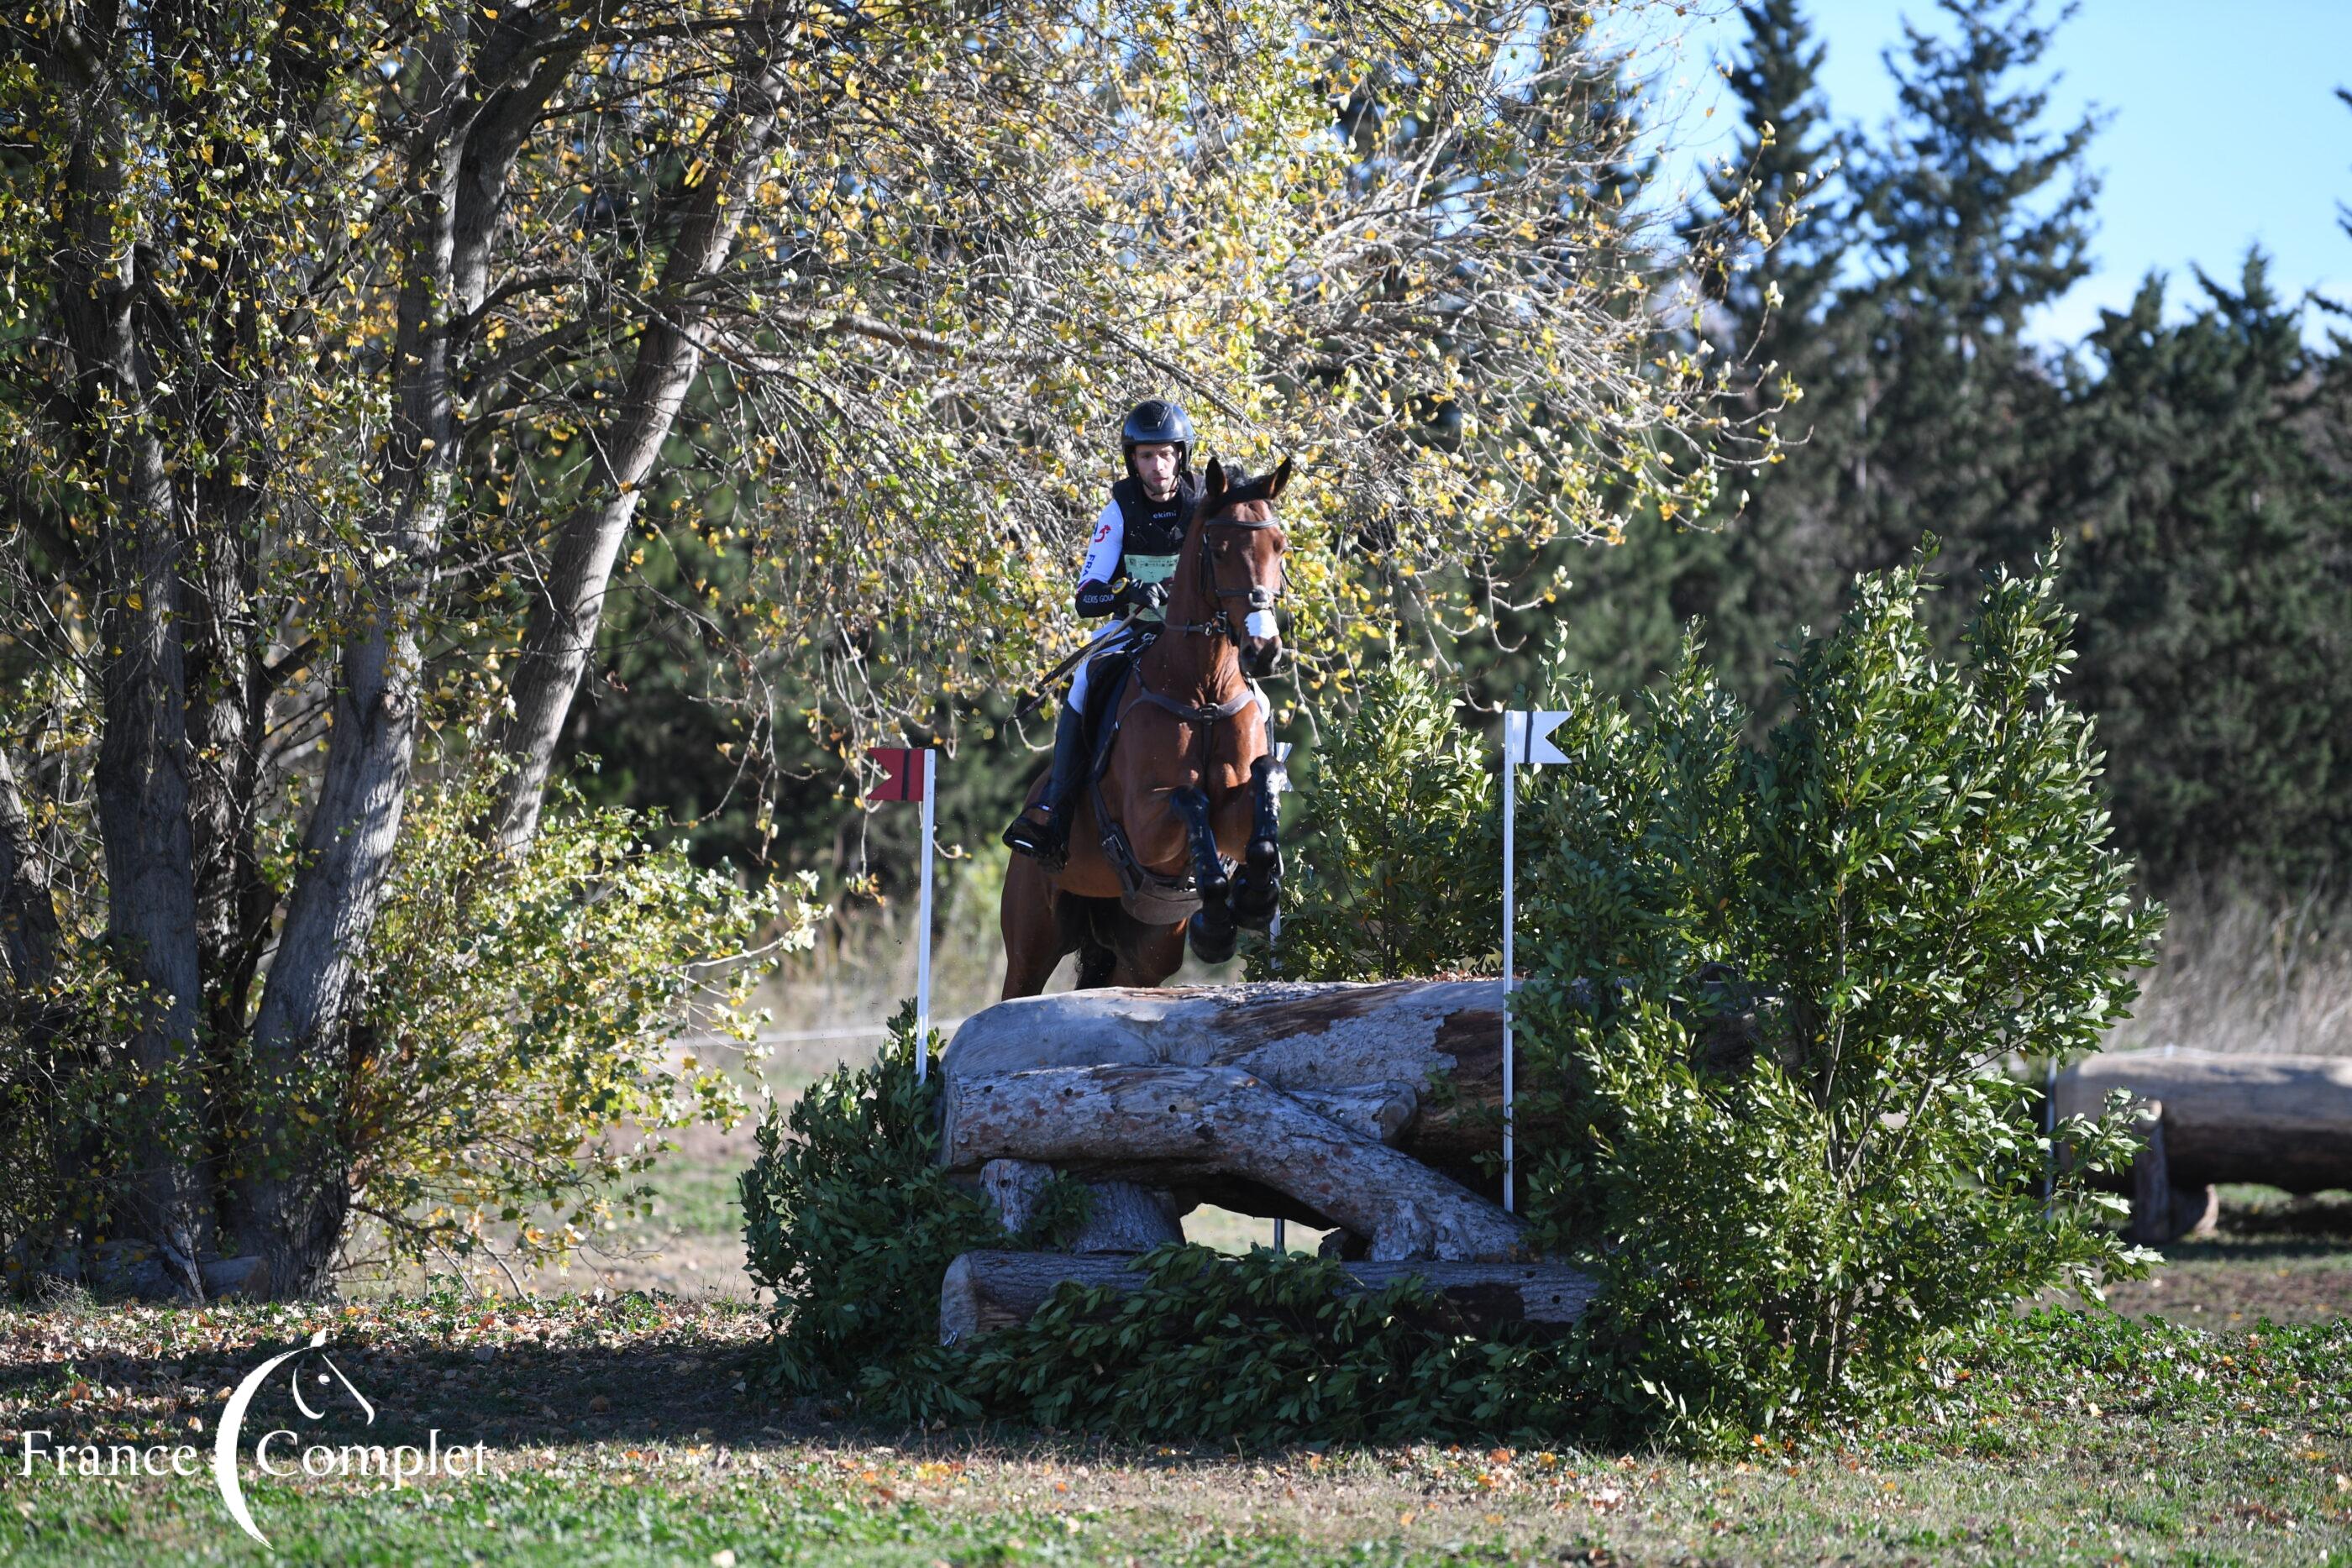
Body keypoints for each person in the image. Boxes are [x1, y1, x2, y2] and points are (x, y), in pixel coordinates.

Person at [1001, 397, 1203, 869]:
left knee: (1257, 696)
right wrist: (1128, 592)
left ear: (1181, 456)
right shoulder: (1119, 510)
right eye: (1147, 456)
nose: (1158, 466)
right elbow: (1086, 597)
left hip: (1198, 636)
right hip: (1137, 632)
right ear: (1133, 460)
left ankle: (1264, 801)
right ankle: (1055, 807)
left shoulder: (1202, 506)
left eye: (1166, 454)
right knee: (1084, 680)